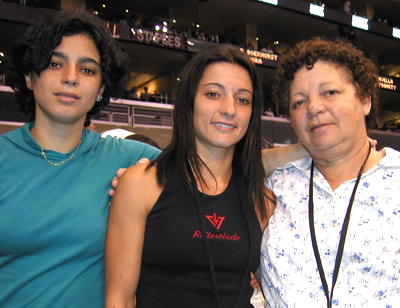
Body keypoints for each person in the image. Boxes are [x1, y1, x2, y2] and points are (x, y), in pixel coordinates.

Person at [104, 44, 309, 308]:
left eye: (243, 99)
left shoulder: (262, 200)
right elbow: (119, 299)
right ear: (189, 101)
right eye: (213, 94)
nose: (229, 109)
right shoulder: (141, 184)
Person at [0, 11, 160, 308]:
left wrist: (277, 155)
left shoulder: (130, 157)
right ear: (29, 76)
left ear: (101, 89)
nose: (70, 78)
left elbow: (213, 168)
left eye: (87, 70)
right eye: (54, 63)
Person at [261, 37, 400, 308]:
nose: (313, 108)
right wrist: (302, 151)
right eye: (298, 102)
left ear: (365, 100)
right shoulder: (276, 183)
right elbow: (218, 165)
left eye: (330, 93)